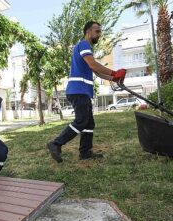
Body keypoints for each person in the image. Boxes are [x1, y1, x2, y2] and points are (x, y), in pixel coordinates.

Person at [47, 21, 126, 163]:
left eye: (100, 32)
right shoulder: (83, 45)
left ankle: (85, 152)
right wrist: (115, 72)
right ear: (88, 32)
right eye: (97, 31)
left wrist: (114, 78)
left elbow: (96, 70)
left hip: (81, 91)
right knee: (82, 121)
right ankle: (56, 143)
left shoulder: (86, 49)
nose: (99, 35)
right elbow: (93, 64)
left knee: (89, 124)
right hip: (78, 90)